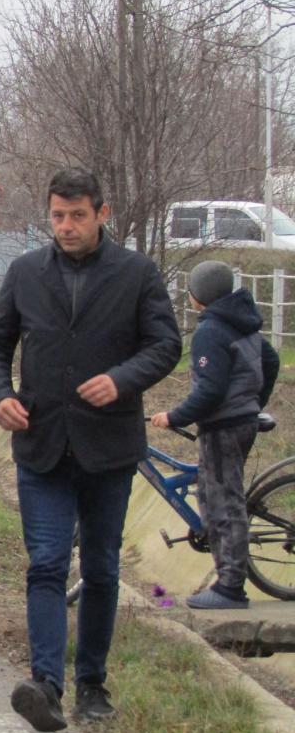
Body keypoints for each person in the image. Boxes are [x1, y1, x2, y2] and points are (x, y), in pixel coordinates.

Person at [0, 167, 181, 732]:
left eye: (77, 216)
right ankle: (46, 684)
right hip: (41, 443)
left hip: (108, 446)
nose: (66, 226)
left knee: (101, 567)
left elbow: (165, 344)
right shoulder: (26, 272)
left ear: (101, 214)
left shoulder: (136, 273)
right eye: (58, 216)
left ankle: (92, 683)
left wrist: (122, 379)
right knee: (45, 563)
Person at [149, 260, 279, 610]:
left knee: (224, 502)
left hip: (223, 426)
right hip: (240, 420)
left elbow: (210, 390)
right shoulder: (241, 320)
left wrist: (174, 416)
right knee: (212, 493)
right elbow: (271, 361)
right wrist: (253, 404)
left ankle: (230, 588)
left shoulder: (211, 330)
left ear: (197, 295)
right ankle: (226, 574)